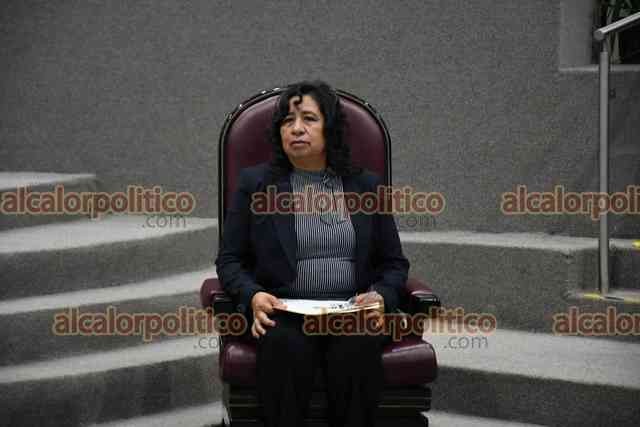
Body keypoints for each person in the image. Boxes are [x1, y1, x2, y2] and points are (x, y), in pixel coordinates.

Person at [215, 80, 409, 427]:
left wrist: (382, 296)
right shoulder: (255, 185)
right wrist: (253, 295)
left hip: (351, 309)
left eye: (308, 119)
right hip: (284, 310)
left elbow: (394, 263)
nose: (296, 129)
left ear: (329, 128)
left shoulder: (366, 186)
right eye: (287, 121)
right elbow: (229, 260)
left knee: (358, 345)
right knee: (284, 345)